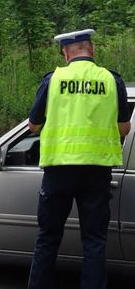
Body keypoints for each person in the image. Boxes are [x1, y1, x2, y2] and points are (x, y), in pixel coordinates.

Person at [27, 29, 131, 289]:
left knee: (48, 238)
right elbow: (124, 128)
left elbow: (33, 125)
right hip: (97, 171)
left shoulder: (53, 80)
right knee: (94, 241)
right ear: (92, 50)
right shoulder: (111, 79)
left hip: (59, 169)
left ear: (65, 53)